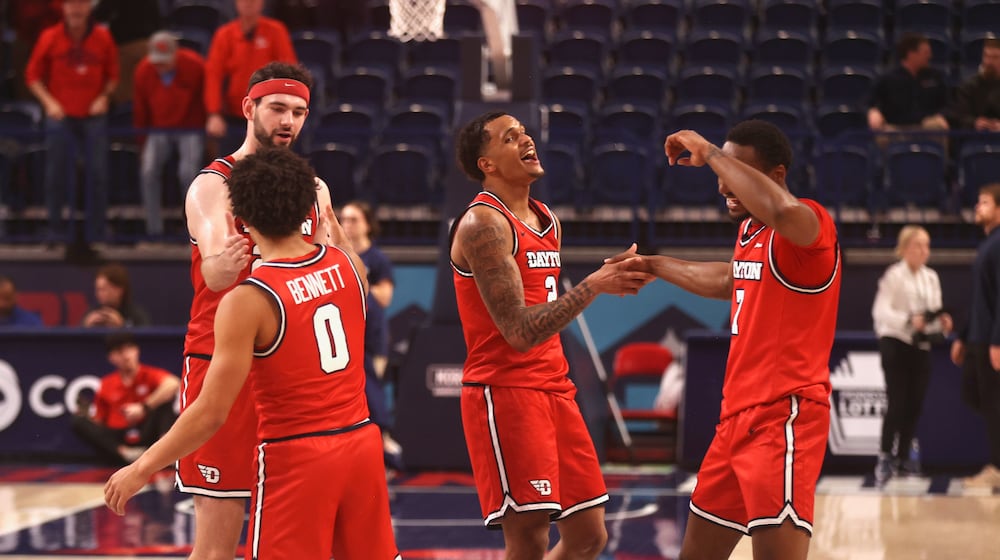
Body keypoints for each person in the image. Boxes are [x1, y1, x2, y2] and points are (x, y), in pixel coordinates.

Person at [104, 147, 400, 560]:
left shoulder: (251, 298)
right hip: (361, 447)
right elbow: (357, 274)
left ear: (240, 217)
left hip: (299, 456)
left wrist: (140, 468)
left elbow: (210, 413)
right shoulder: (346, 266)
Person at [615, 120, 841, 559]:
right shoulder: (750, 233)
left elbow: (780, 211)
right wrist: (654, 265)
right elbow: (729, 279)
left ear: (775, 176)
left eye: (735, 172)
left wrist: (708, 149)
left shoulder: (811, 228)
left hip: (783, 418)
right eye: (721, 174)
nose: (722, 187)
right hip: (734, 420)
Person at [450, 111, 653, 559]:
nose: (526, 140)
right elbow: (519, 332)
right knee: (529, 538)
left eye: (524, 132)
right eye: (510, 137)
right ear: (487, 163)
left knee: (588, 537)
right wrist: (594, 285)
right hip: (505, 391)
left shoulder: (546, 219)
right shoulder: (483, 224)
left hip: (554, 388)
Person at [177, 61, 333, 560]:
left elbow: (341, 271)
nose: (289, 122)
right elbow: (217, 275)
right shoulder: (212, 185)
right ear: (249, 108)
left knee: (292, 541)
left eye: (300, 112)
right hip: (222, 368)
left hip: (292, 378)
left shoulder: (313, 190)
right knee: (218, 544)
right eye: (278, 109)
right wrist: (236, 259)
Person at [25, 0, 119, 242]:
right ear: (64, 9)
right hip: (60, 116)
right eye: (71, 5)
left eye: (81, 5)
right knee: (55, 174)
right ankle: (55, 230)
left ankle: (96, 231)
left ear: (89, 8)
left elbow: (113, 76)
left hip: (93, 116)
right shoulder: (50, 36)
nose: (76, 10)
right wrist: (49, 103)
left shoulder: (103, 37)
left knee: (98, 174)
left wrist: (104, 97)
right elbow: (32, 76)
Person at [871, 225, 953, 484]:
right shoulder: (894, 275)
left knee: (915, 404)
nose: (924, 251)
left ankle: (905, 457)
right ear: (905, 248)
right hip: (895, 343)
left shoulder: (931, 277)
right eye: (918, 245)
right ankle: (885, 456)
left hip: (921, 346)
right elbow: (880, 313)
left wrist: (941, 323)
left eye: (927, 245)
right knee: (897, 402)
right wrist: (908, 320)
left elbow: (933, 313)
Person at [340, 200, 400, 463]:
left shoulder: (377, 259)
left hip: (372, 339)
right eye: (344, 219)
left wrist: (354, 286)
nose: (347, 225)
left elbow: (385, 297)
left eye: (354, 219)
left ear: (366, 224)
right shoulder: (336, 254)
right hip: (346, 338)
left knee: (372, 392)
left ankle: (385, 449)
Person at [132, 31, 206, 237]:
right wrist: (141, 142)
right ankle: (153, 230)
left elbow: (205, 100)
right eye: (157, 62)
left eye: (165, 62)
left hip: (190, 128)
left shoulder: (196, 66)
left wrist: (205, 134)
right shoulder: (143, 71)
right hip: (158, 129)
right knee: (148, 171)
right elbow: (141, 109)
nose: (160, 66)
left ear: (176, 55)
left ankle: (193, 231)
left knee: (188, 173)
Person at [951, 182, 1000, 490]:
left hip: (992, 341)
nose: (977, 207)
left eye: (984, 202)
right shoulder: (987, 243)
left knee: (993, 404)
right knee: (975, 395)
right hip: (979, 338)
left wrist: (997, 340)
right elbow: (981, 297)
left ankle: (996, 468)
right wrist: (963, 336)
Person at [73, 333, 179, 465]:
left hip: (146, 431)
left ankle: (166, 452)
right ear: (111, 358)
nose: (126, 355)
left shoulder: (150, 374)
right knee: (78, 421)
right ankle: (126, 454)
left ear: (137, 350)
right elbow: (100, 422)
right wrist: (88, 417)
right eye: (119, 351)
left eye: (129, 348)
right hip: (120, 437)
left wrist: (143, 408)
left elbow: (173, 384)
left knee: (165, 402)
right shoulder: (106, 383)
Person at [203, 0, 296, 147]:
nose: (248, 3)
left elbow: (288, 73)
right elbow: (213, 76)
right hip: (233, 115)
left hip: (268, 114)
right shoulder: (224, 35)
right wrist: (214, 113)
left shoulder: (276, 31)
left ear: (262, 3)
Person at [868, 32, 949, 148]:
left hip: (925, 124)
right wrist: (872, 111)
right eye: (926, 53)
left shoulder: (935, 76)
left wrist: (941, 115)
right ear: (911, 54)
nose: (930, 56)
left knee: (938, 127)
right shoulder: (888, 78)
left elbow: (947, 104)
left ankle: (939, 165)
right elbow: (867, 102)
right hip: (896, 127)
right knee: (883, 133)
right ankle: (885, 166)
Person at [949, 38, 1000, 133]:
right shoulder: (968, 86)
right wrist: (974, 122)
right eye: (986, 56)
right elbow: (959, 116)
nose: (989, 62)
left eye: (995, 57)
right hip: (974, 137)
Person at [81, 263, 151, 328]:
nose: (98, 294)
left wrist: (122, 326)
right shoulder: (91, 313)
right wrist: (85, 327)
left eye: (103, 289)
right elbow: (77, 337)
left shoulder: (136, 315)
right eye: (97, 289)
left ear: (119, 290)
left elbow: (146, 338)